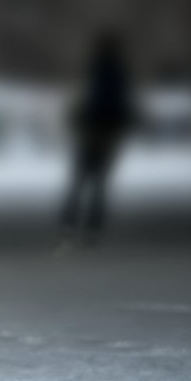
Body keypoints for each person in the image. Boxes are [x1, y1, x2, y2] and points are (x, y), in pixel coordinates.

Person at [57, 31, 134, 249]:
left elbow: (88, 101)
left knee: (82, 180)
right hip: (104, 131)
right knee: (97, 182)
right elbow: (117, 104)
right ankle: (90, 226)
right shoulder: (115, 73)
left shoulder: (98, 71)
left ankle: (71, 223)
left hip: (93, 130)